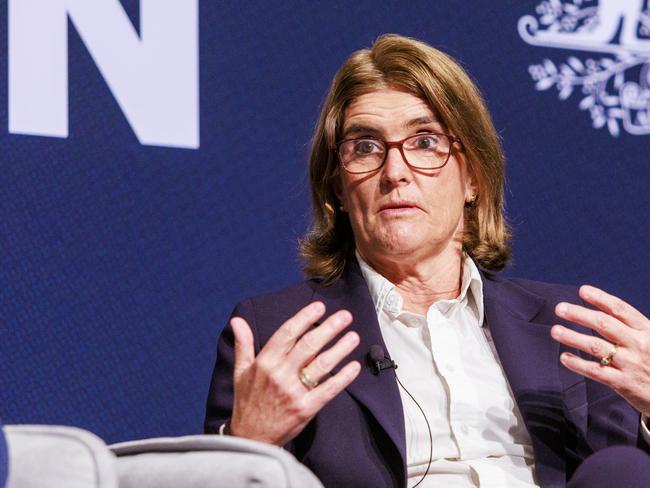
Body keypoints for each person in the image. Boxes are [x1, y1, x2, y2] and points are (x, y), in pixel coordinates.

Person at [204, 34, 650, 487]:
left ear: (473, 176)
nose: (394, 172)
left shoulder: (573, 331)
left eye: (424, 142)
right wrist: (249, 440)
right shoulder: (280, 332)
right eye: (364, 148)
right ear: (338, 188)